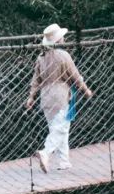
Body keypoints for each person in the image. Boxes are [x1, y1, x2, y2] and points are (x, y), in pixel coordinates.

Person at [26, 23, 93, 173]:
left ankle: (64, 161)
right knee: (60, 129)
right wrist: (86, 90)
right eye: (61, 36)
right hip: (60, 96)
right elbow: (75, 76)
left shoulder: (41, 58)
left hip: (46, 98)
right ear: (57, 40)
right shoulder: (63, 56)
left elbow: (35, 80)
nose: (63, 38)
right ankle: (45, 153)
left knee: (58, 128)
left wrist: (31, 97)